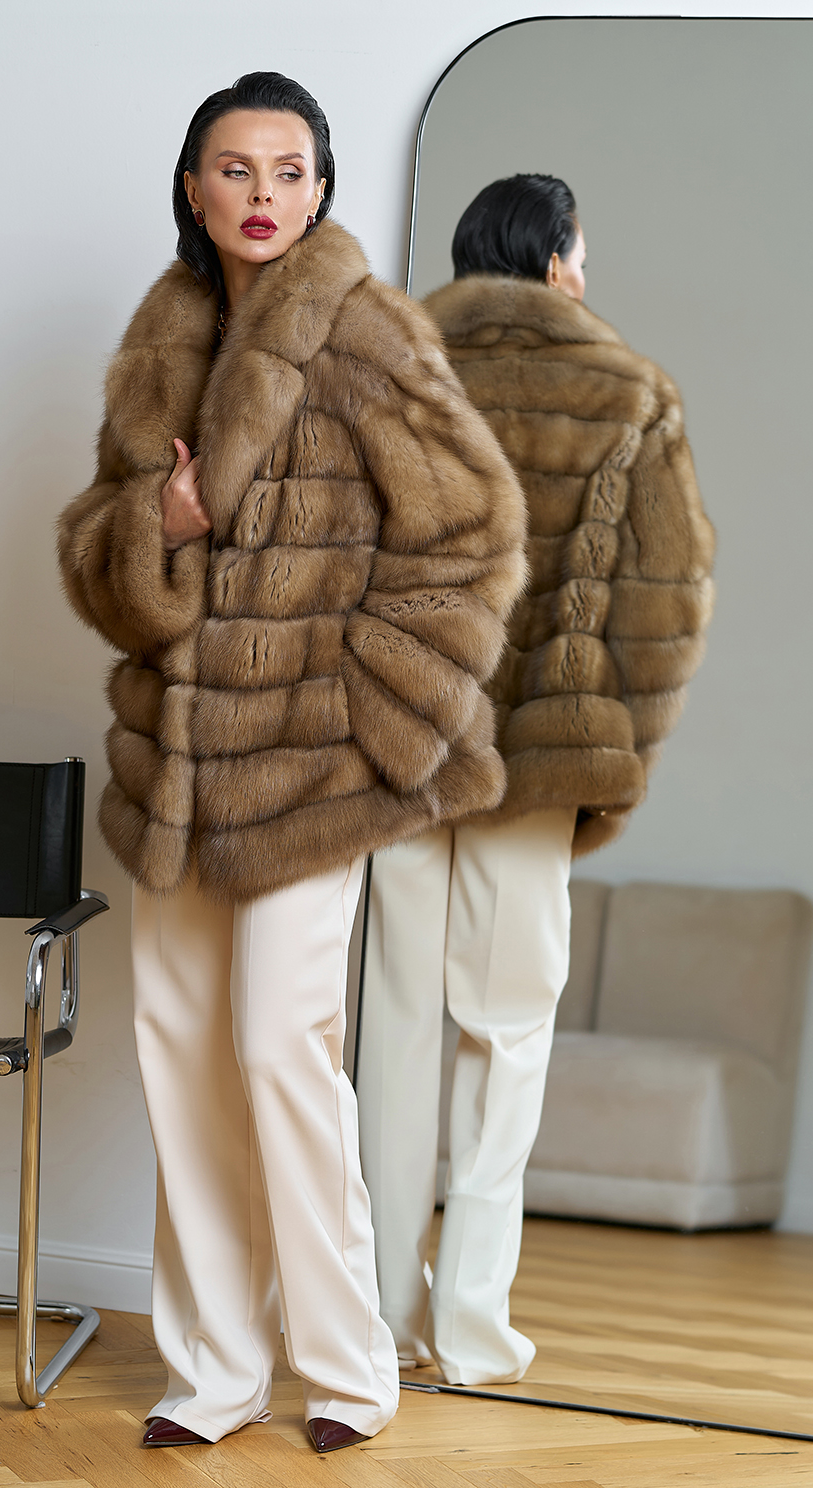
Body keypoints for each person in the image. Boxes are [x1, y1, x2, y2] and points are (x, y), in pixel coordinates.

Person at [57, 76, 527, 1452]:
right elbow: (95, 548)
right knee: (179, 1056)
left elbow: (473, 532)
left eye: (288, 170)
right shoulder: (160, 341)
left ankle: (347, 1366)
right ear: (193, 188)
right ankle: (214, 1370)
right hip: (177, 773)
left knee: (281, 1048)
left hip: (312, 778)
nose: (262, 195)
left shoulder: (368, 330)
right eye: (234, 169)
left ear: (319, 190)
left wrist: (375, 716)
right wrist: (158, 527)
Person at [357, 173, 715, 1386]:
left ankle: (377, 1321)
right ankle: (469, 1327)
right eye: (582, 254)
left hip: (404, 745)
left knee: (393, 1028)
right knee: (504, 1032)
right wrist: (609, 747)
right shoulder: (628, 392)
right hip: (539, 755)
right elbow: (661, 614)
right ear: (556, 260)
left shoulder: (390, 372)